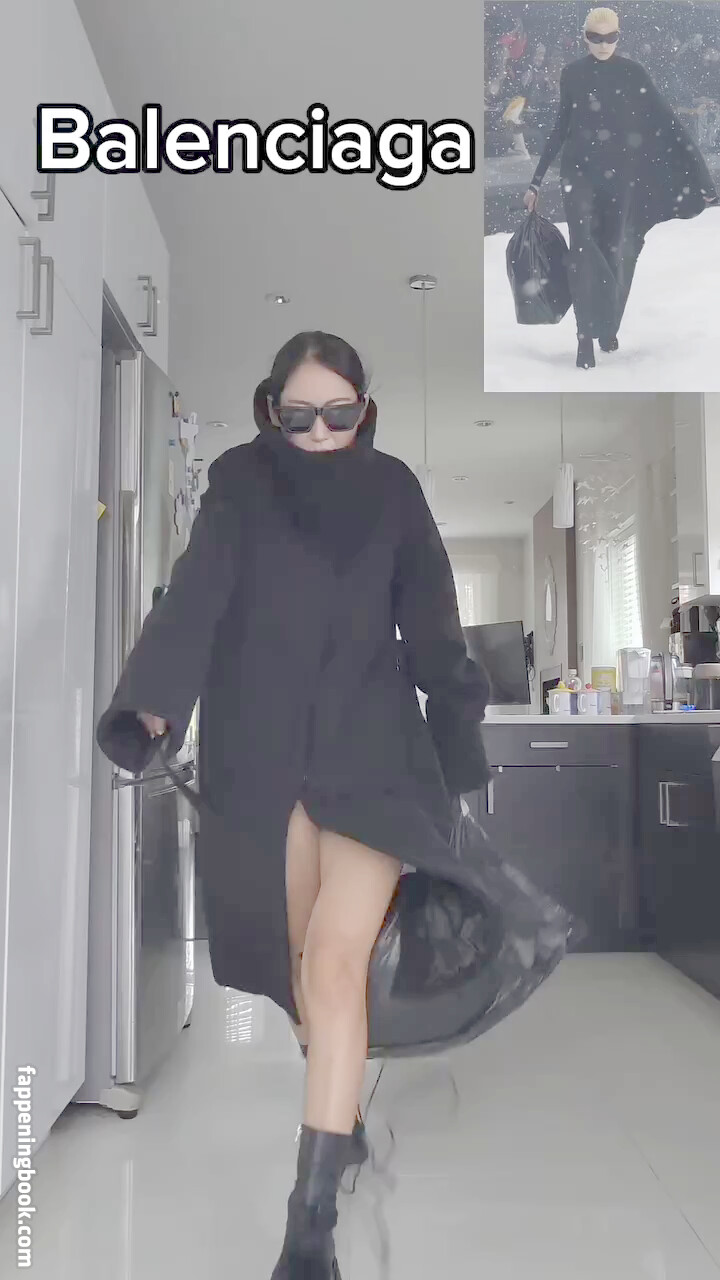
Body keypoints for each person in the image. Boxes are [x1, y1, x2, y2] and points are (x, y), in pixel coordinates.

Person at [96, 332, 491, 1279]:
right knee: (304, 968)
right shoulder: (239, 481)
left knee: (339, 961)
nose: (318, 433)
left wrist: (458, 743)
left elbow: (434, 626)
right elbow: (197, 595)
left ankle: (307, 1226)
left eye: (339, 414)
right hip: (265, 755)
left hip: (372, 754)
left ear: (365, 410)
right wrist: (155, 696)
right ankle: (338, 1113)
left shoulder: (393, 490)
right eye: (299, 415)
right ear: (272, 410)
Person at [523, 7, 718, 370]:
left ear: (619, 36)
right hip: (578, 173)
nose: (603, 44)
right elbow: (561, 127)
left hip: (621, 176)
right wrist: (535, 181)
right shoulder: (572, 74)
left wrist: (701, 175)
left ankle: (607, 324)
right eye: (595, 37)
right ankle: (585, 336)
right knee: (583, 249)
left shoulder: (633, 73)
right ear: (585, 37)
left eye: (610, 37)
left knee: (616, 251)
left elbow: (669, 122)